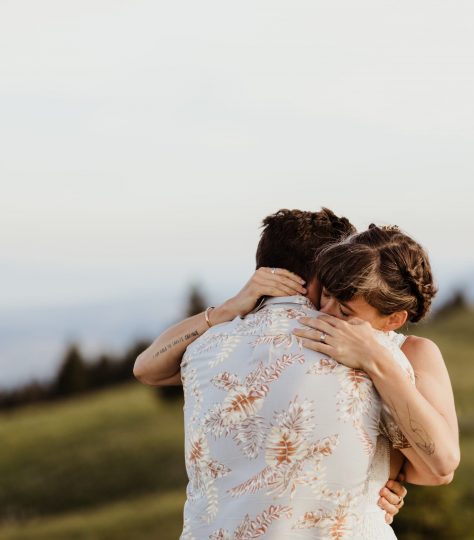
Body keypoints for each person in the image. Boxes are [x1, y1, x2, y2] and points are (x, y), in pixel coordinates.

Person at [133, 208, 411, 539]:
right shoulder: (368, 349)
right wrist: (391, 479)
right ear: (322, 273)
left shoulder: (204, 348)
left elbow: (146, 368)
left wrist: (227, 310)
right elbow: (431, 458)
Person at [292, 224, 460, 486]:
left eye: (345, 312)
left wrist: (375, 359)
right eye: (326, 294)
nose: (325, 311)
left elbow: (442, 465)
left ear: (393, 320)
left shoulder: (414, 353)